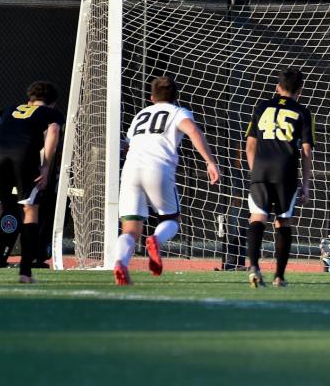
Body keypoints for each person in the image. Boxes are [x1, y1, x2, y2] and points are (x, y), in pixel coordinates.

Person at [114, 76, 219, 285]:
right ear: (176, 97)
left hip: (130, 171)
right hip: (158, 168)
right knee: (171, 219)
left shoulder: (141, 115)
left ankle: (120, 263)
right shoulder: (178, 112)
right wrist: (210, 161)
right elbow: (193, 130)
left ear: (152, 97)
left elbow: (126, 145)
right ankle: (156, 240)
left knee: (130, 229)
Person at [0, 81, 64, 284]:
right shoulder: (51, 113)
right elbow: (53, 131)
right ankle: (25, 273)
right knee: (30, 210)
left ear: (29, 100)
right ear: (53, 103)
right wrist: (46, 166)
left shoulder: (12, 108)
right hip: (24, 156)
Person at [244, 68, 314, 288]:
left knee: (257, 218)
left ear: (277, 87)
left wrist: (255, 171)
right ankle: (279, 277)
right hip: (285, 171)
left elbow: (250, 146)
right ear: (300, 91)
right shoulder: (302, 111)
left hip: (261, 170)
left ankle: (254, 265)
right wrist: (305, 184)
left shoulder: (262, 107)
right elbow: (306, 151)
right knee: (283, 221)